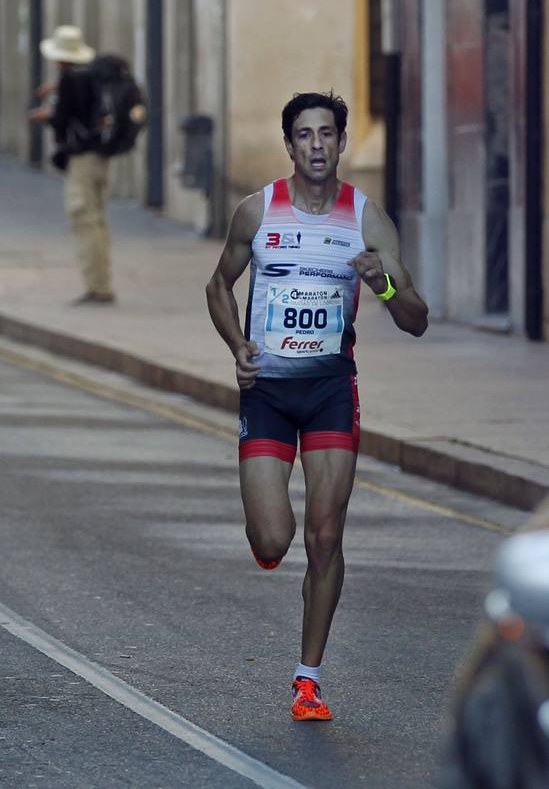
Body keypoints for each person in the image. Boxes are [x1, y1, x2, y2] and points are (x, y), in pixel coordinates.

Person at [203, 91, 430, 721]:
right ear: (290, 145)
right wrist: (237, 345)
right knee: (275, 541)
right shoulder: (257, 212)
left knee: (326, 535)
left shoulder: (366, 219)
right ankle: (265, 534)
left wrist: (381, 281)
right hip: (268, 393)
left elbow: (416, 318)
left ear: (341, 141)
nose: (317, 146)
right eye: (304, 135)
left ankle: (308, 679)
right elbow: (218, 284)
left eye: (327, 134)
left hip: (331, 391)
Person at [30, 24, 117, 304]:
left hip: (82, 158)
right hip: (100, 157)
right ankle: (102, 281)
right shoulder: (92, 76)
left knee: (83, 219)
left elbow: (62, 119)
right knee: (98, 219)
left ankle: (98, 287)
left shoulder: (70, 79)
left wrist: (45, 116)